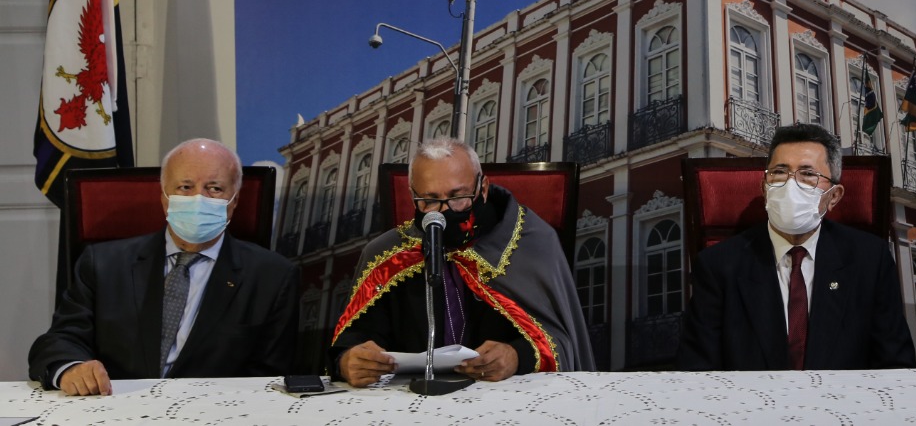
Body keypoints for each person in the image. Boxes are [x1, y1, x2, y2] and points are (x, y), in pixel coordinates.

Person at [28, 138, 300, 395]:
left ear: (234, 201)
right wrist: (71, 368)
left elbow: (270, 376)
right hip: (115, 407)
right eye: (185, 187)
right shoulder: (103, 264)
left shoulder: (272, 277)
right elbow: (60, 340)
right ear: (163, 197)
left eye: (215, 188)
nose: (198, 198)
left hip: (216, 412)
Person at [330, 138, 594, 385]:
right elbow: (356, 340)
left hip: (506, 397)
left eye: (458, 197)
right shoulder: (386, 255)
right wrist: (348, 360)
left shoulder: (531, 242)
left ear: (483, 188)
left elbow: (562, 342)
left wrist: (517, 355)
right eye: (430, 200)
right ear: (413, 196)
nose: (444, 212)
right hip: (410, 399)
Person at [678, 123, 916, 370]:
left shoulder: (870, 260)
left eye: (808, 174)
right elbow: (697, 371)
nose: (790, 185)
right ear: (764, 188)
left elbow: (896, 365)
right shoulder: (718, 265)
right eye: (779, 172)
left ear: (834, 196)